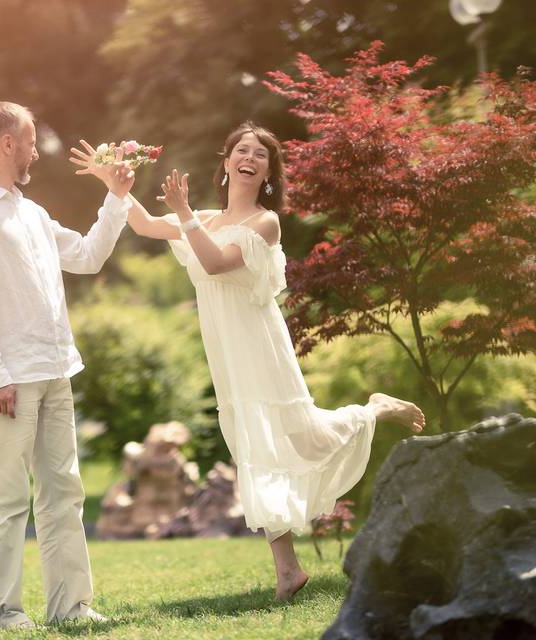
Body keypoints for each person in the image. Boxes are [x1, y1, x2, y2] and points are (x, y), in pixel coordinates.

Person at [73, 123, 425, 600]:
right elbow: (142, 225)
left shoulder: (265, 222)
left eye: (260, 154)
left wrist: (183, 214)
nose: (250, 157)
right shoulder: (206, 217)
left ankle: (376, 409)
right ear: (226, 162)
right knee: (251, 449)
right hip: (226, 351)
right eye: (242, 149)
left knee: (302, 435)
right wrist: (112, 184)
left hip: (259, 346)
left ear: (267, 173)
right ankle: (288, 570)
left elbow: (217, 263)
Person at [0, 102, 135, 628]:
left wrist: (116, 198)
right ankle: (3, 611)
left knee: (63, 493)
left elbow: (86, 256)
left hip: (56, 370)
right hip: (11, 379)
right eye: (30, 141)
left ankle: (70, 606)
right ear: (8, 144)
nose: (36, 150)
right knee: (7, 499)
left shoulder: (31, 213)